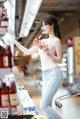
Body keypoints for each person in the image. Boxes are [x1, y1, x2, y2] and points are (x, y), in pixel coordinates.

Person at [14, 15, 63, 119]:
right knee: (48, 105)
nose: (43, 27)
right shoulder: (42, 42)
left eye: (44, 25)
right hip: (45, 75)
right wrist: (14, 42)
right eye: (42, 25)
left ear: (52, 26)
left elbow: (59, 60)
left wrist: (48, 53)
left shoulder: (56, 41)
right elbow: (27, 51)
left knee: (43, 105)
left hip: (55, 73)